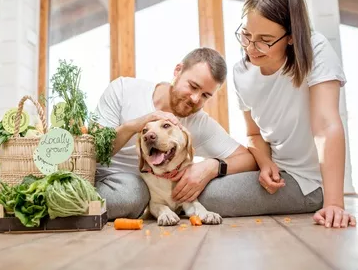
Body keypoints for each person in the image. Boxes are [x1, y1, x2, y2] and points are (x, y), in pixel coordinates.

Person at [224, 0, 356, 228]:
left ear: (292, 36)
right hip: (276, 173)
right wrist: (265, 164)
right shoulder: (241, 72)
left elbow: (326, 126)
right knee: (201, 186)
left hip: (309, 183)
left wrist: (334, 203)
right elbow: (253, 134)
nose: (251, 48)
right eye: (245, 35)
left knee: (210, 197)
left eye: (264, 41)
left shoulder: (316, 50)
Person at [93, 47, 258, 220]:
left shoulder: (200, 123)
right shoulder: (123, 89)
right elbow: (95, 152)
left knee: (217, 189)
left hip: (154, 197)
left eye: (205, 96)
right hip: (109, 184)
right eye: (193, 86)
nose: (195, 99)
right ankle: (81, 207)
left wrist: (211, 167)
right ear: (177, 71)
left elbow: (247, 159)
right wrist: (135, 125)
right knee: (134, 192)